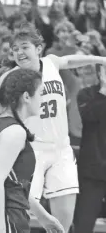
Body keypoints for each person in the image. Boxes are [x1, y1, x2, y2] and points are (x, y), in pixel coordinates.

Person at [0, 23, 106, 232]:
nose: (19, 52)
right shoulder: (11, 77)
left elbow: (71, 60)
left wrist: (101, 59)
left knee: (63, 221)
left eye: (24, 46)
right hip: (32, 150)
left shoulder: (51, 63)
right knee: (20, 211)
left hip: (61, 148)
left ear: (38, 48)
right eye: (14, 49)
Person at [0, 69, 64, 233]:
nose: (43, 99)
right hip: (3, 218)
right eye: (41, 93)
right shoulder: (15, 132)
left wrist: (42, 215)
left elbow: (12, 185)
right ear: (27, 97)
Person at [73, 65, 106, 233]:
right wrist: (104, 91)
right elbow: (90, 116)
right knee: (83, 225)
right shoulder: (86, 94)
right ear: (100, 72)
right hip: (91, 172)